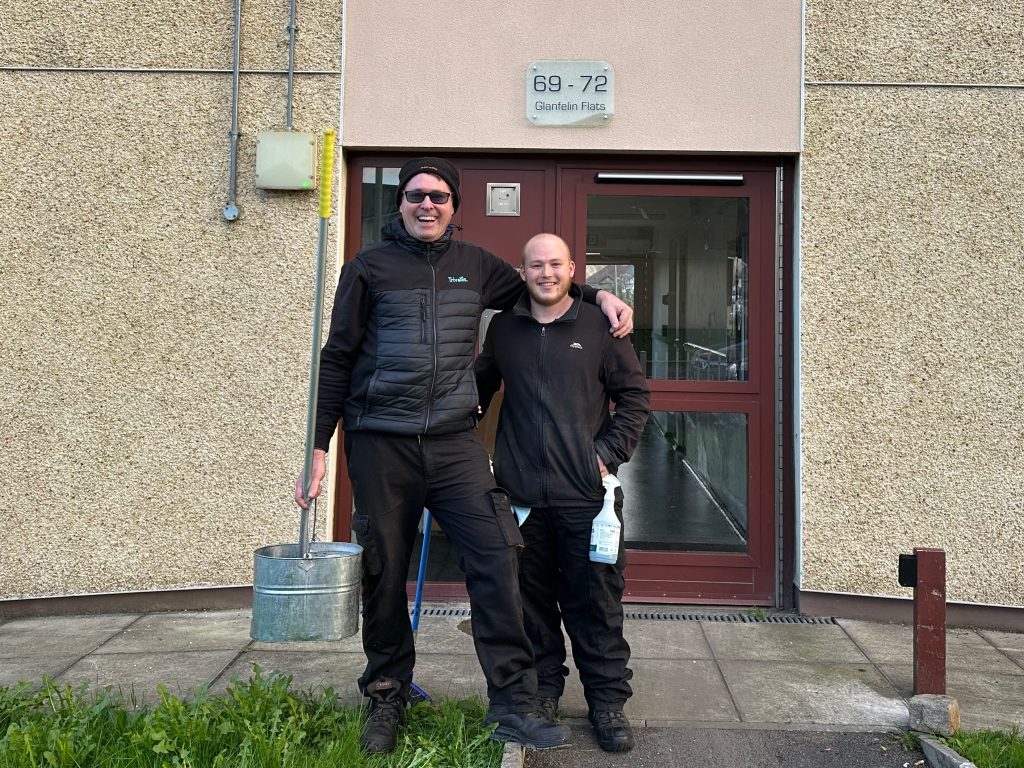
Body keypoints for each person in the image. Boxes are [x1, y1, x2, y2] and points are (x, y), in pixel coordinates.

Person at [294, 158, 634, 754]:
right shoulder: (368, 268)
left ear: (455, 207)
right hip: (381, 443)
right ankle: (386, 694)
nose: (428, 205)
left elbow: (543, 282)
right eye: (416, 195)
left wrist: (600, 293)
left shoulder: (476, 266)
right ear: (399, 202)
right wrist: (318, 447)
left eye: (440, 197)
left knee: (500, 560)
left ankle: (513, 704)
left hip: (453, 446)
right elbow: (337, 356)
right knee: (384, 571)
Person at [475, 233, 651, 753]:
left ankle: (607, 703)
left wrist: (604, 455)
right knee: (530, 608)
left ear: (573, 269)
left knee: (595, 606)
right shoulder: (504, 328)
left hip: (587, 499)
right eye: (536, 265)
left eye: (556, 264)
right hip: (522, 497)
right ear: (522, 271)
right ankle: (543, 694)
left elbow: (634, 397)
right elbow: (479, 392)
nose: (546, 273)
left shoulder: (601, 325)